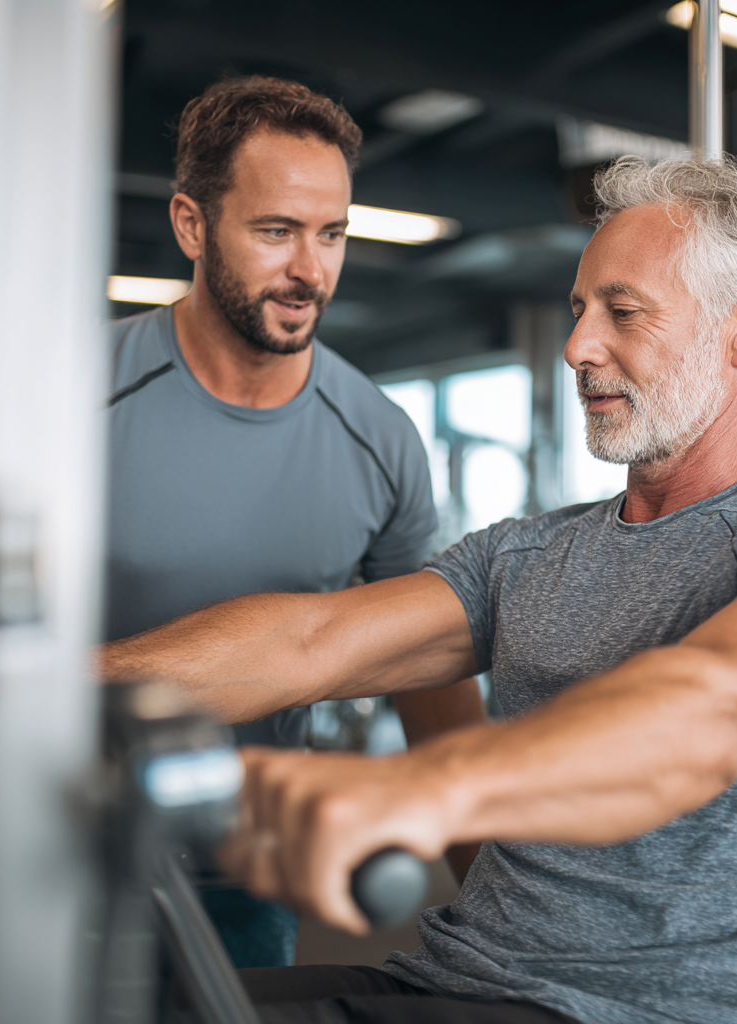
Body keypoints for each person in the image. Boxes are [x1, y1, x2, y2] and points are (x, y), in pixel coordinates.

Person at [100, 156, 737, 1024]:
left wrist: (415, 789)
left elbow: (714, 710)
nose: (577, 347)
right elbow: (309, 644)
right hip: (447, 978)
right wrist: (49, 686)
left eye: (623, 312)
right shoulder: (533, 550)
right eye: (577, 311)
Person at [106, 76, 485, 970]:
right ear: (193, 226)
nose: (310, 270)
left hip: (245, 865)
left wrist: (488, 893)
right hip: (55, 837)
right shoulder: (67, 395)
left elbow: (426, 670)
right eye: (276, 231)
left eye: (332, 234)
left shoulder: (380, 437)